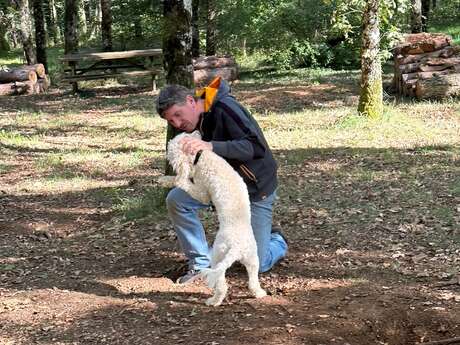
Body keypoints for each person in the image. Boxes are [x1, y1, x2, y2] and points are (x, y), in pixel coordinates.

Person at [156, 77, 288, 284]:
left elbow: (255, 148)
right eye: (171, 121)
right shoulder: (194, 123)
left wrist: (211, 146)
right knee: (177, 199)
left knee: (259, 263)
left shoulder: (225, 108)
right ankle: (199, 265)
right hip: (219, 188)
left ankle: (277, 239)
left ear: (191, 101)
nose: (178, 124)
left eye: (178, 116)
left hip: (255, 189)